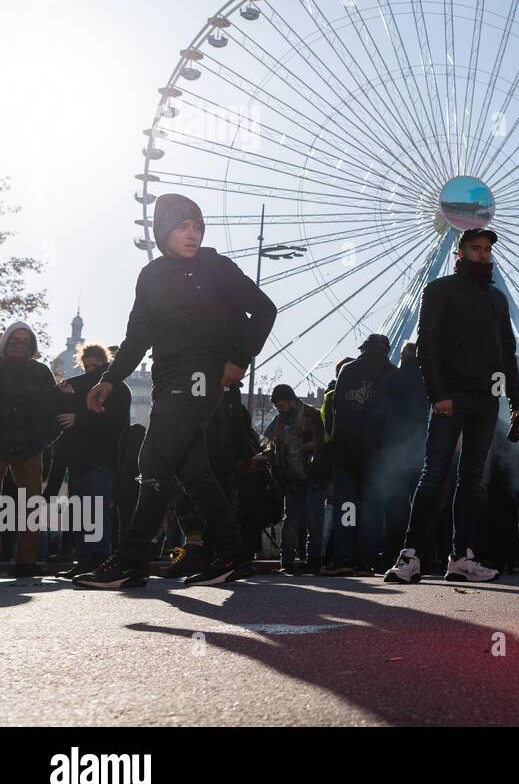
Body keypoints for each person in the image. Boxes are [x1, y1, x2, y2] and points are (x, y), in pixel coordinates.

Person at [74, 193, 276, 589]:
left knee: (153, 459)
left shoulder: (216, 267)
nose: (193, 234)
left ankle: (131, 559)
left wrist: (240, 359)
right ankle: (232, 555)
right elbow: (137, 338)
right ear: (164, 230)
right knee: (193, 472)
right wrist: (109, 380)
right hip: (167, 379)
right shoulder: (150, 277)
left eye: (198, 227)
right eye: (183, 227)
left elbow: (265, 309)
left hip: (202, 375)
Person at [384, 227, 519, 584]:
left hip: (486, 399)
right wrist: (438, 395)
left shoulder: (497, 300)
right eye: (475, 249)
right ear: (458, 255)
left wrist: (517, 402)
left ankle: (461, 556)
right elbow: (427, 345)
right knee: (434, 474)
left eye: (486, 250)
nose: (482, 255)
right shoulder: (439, 291)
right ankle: (410, 555)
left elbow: (506, 352)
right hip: (452, 397)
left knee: (473, 481)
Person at [0, 322, 74, 578]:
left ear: (32, 346)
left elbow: (54, 407)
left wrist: (44, 439)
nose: (19, 343)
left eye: (25, 340)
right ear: (6, 341)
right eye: (14, 339)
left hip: (30, 447)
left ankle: (27, 560)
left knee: (31, 505)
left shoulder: (41, 372)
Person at [55, 343, 130, 576]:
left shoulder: (118, 388)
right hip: (78, 459)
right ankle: (85, 559)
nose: (89, 370)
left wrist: (80, 419)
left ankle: (98, 559)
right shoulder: (80, 387)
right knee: (80, 511)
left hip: (101, 459)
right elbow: (66, 420)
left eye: (94, 366)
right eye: (86, 366)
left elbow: (114, 423)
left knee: (96, 511)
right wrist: (69, 397)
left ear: (105, 364)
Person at [324, 333, 395, 575]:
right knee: (372, 506)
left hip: (344, 446)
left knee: (346, 504)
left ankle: (343, 558)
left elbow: (335, 407)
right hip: (375, 450)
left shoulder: (347, 369)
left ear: (363, 348)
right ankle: (365, 559)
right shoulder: (391, 372)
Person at [365, 342, 430, 573]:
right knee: (423, 503)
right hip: (423, 449)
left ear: (403, 357)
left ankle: (393, 554)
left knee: (396, 507)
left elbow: (374, 414)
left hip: (393, 451)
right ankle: (425, 555)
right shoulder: (429, 381)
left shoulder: (390, 380)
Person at [264, 384, 325, 574]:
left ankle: (314, 560)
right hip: (290, 479)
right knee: (291, 521)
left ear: (291, 401)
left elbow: (322, 443)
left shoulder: (312, 415)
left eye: (281, 405)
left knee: (314, 519)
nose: (280, 410)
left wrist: (303, 446)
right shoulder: (280, 419)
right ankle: (287, 562)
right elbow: (270, 443)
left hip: (312, 476)